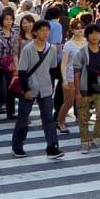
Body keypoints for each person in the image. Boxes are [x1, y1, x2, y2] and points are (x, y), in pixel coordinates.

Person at [11, 19, 63, 159]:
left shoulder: (51, 48)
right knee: (23, 117)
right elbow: (22, 71)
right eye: (41, 30)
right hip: (30, 86)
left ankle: (52, 147)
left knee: (48, 118)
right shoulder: (28, 48)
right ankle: (17, 146)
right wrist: (26, 89)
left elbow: (52, 69)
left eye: (47, 30)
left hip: (45, 87)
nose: (45, 33)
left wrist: (51, 85)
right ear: (35, 32)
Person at [70, 24, 100, 152]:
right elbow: (76, 72)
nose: (95, 36)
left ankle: (96, 138)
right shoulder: (81, 52)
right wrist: (77, 92)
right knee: (83, 117)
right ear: (87, 36)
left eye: (97, 34)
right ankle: (85, 141)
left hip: (99, 89)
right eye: (92, 33)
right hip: (84, 89)